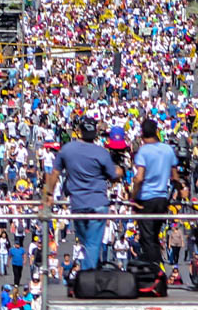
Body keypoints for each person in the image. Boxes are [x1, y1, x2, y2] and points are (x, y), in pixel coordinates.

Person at [42, 116, 122, 270]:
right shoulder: (102, 153)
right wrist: (120, 170)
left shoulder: (67, 150)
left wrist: (49, 195)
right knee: (92, 244)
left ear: (80, 131)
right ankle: (88, 276)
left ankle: (88, 276)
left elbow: (54, 174)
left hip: (77, 204)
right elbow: (113, 176)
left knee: (87, 243)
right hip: (98, 204)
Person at [130, 117, 182, 267]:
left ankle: (155, 269)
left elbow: (139, 178)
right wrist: (179, 191)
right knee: (154, 236)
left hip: (145, 199)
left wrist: (133, 198)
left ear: (142, 133)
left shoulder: (143, 151)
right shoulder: (167, 149)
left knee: (147, 238)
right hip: (162, 199)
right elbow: (175, 177)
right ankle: (156, 268)